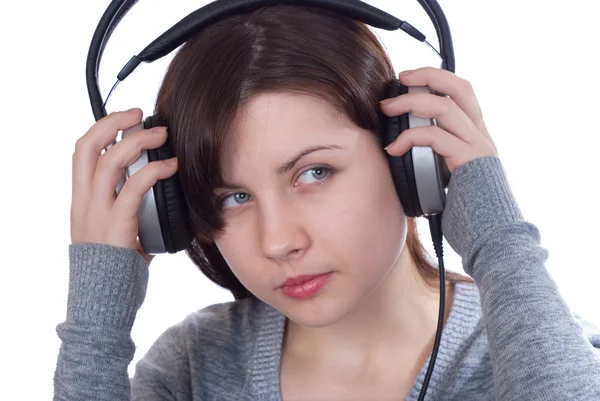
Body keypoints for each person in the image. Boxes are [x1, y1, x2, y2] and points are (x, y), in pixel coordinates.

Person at [54, 4, 600, 401]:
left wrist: (497, 238)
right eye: (235, 196)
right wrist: (97, 321)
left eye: (314, 173)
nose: (279, 241)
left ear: (411, 159)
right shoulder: (192, 370)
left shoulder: (545, 350)